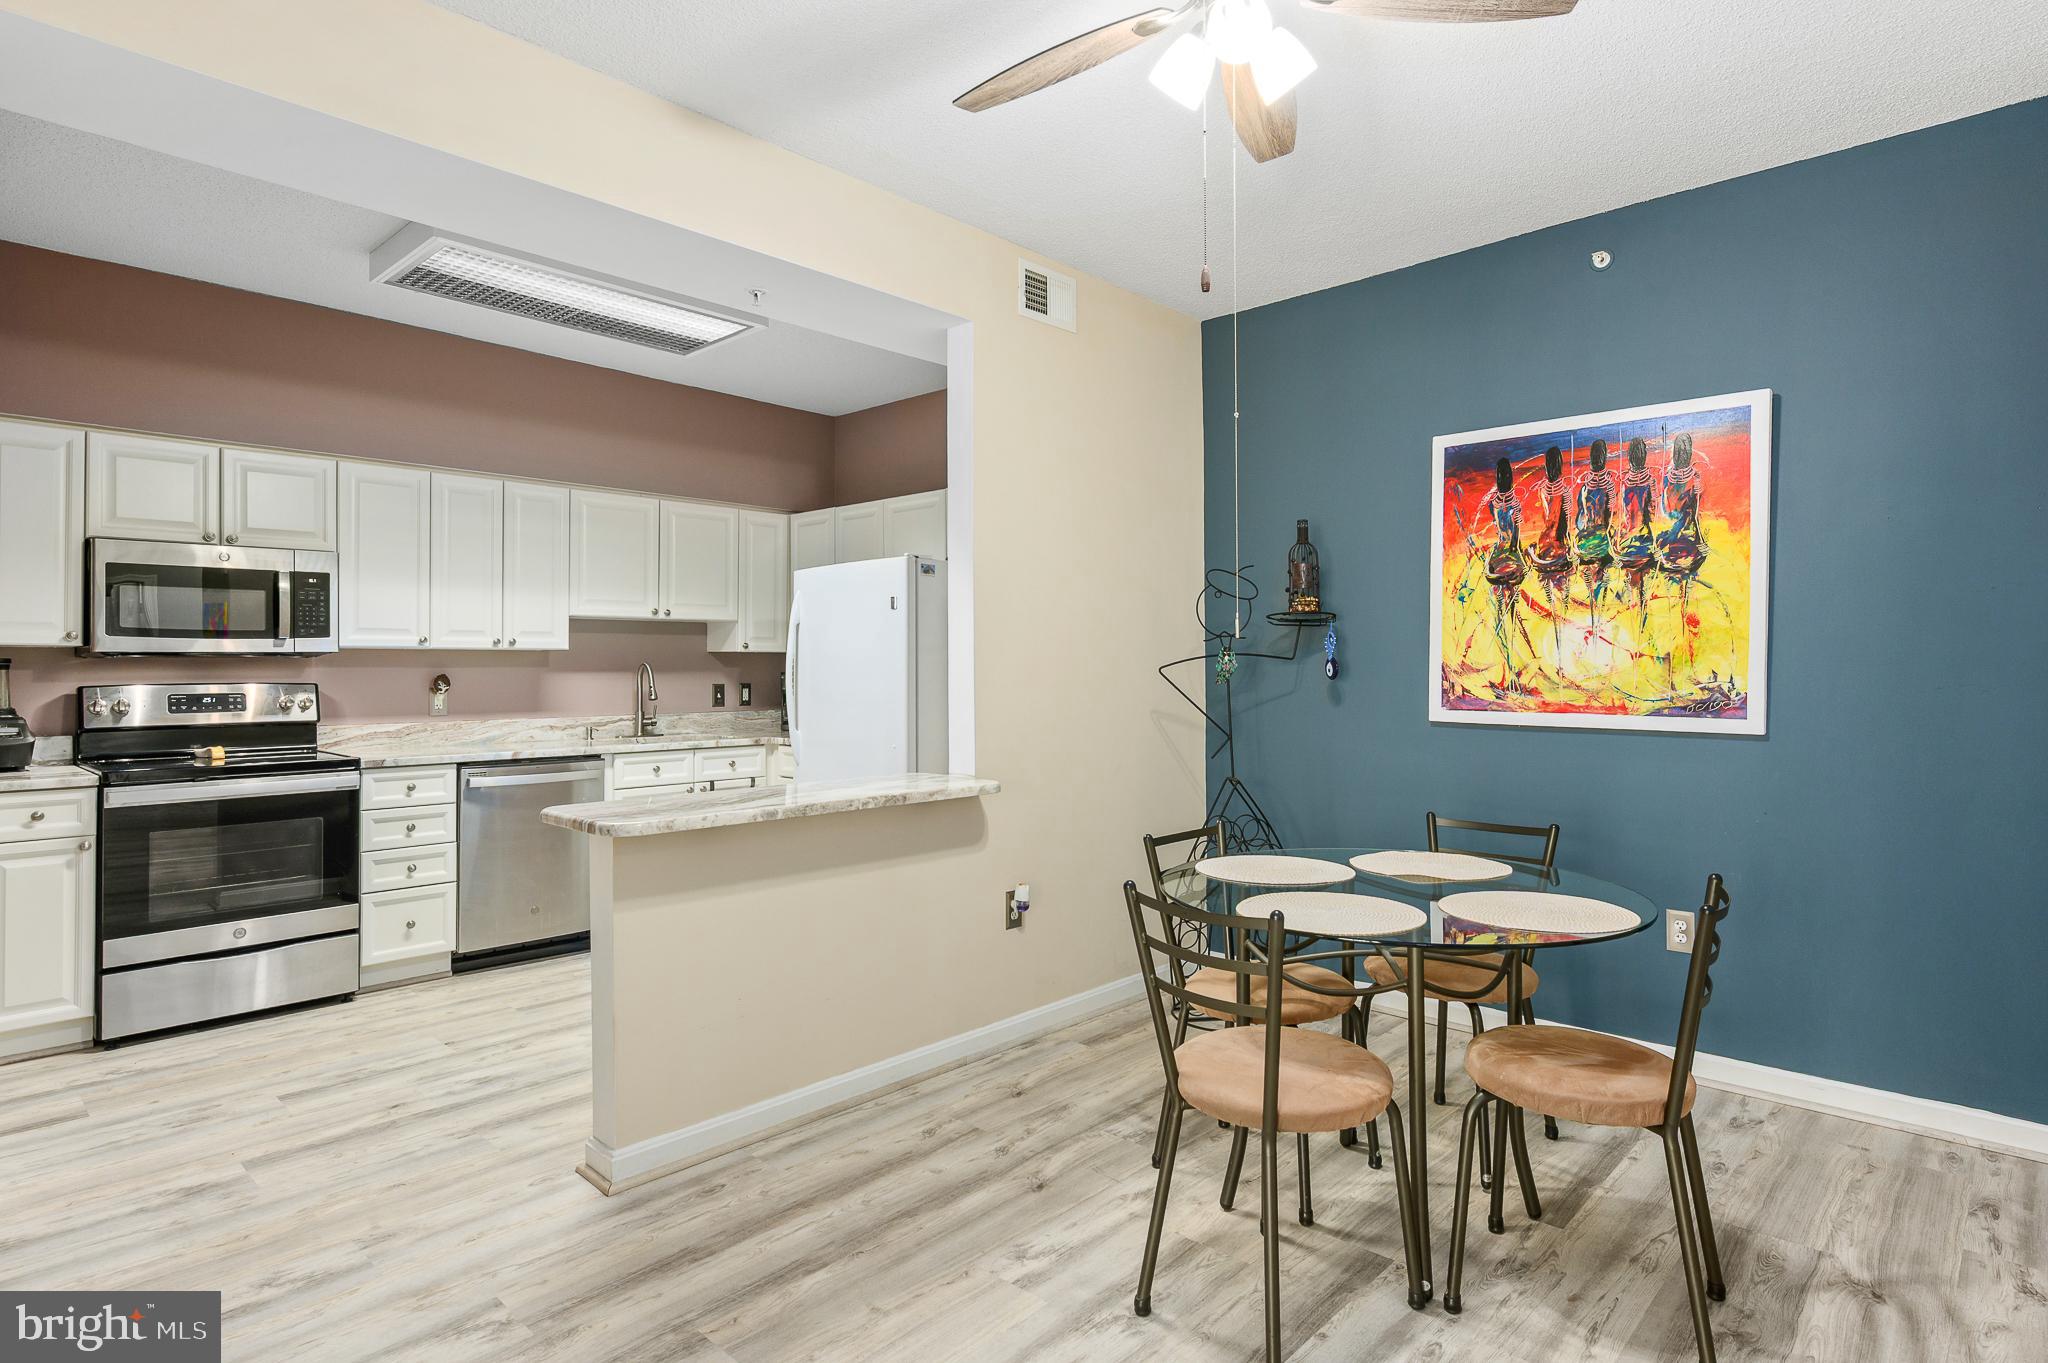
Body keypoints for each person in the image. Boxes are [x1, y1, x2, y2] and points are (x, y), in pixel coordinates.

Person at [1657, 432, 1708, 576]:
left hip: (1676, 528)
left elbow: (1665, 509)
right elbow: (1696, 507)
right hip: (1683, 529)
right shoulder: (1693, 476)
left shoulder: (1667, 477)